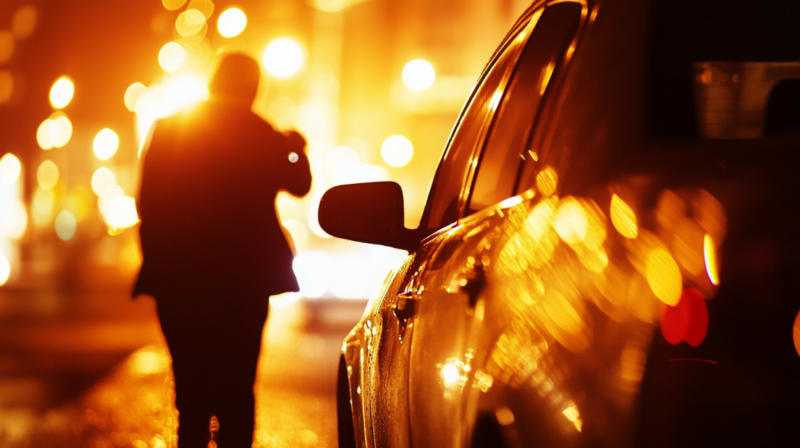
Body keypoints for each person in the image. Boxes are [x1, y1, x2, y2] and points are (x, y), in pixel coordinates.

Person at [133, 53, 312, 447]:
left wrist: (158, 259)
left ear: (212, 83)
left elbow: (146, 203)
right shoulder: (262, 133)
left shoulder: (170, 129)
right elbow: (300, 183)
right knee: (237, 390)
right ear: (253, 89)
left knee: (192, 396)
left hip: (181, 281)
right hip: (244, 283)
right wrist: (296, 146)